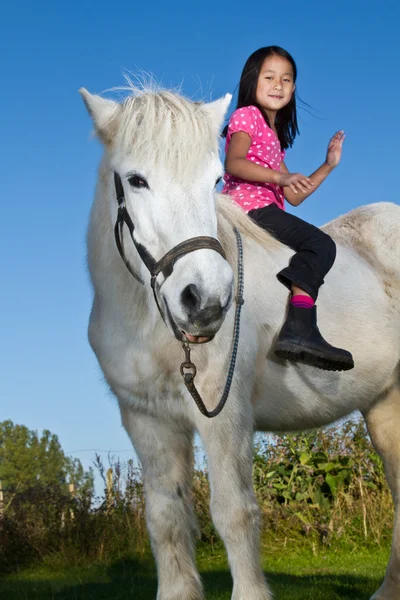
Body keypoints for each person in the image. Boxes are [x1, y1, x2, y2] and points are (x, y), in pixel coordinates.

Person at [222, 45, 354, 372]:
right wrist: (279, 175)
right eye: (269, 77)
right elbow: (234, 163)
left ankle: (297, 323)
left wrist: (328, 165)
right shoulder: (246, 116)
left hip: (266, 207)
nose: (278, 85)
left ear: (293, 89)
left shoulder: (273, 137)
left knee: (314, 242)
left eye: (286, 79)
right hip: (248, 207)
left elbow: (294, 196)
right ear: (252, 81)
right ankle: (300, 326)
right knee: (320, 244)